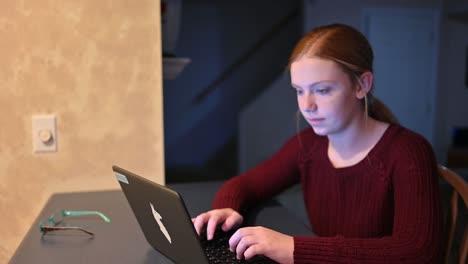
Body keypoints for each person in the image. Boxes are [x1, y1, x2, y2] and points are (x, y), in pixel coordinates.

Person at [192, 23, 443, 263]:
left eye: (322, 90)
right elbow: (246, 184)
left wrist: (294, 249)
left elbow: (417, 253)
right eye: (299, 90)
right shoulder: (309, 146)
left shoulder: (408, 151)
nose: (307, 106)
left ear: (362, 85)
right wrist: (226, 208)